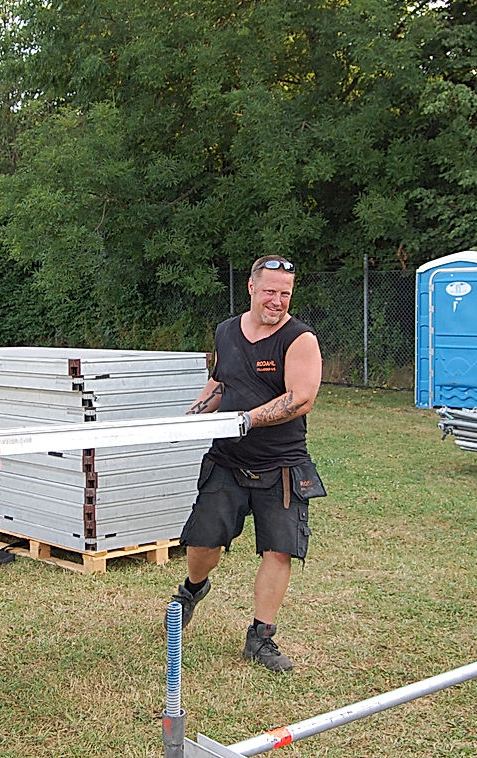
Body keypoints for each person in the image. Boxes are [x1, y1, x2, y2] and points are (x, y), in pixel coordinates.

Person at [167, 255, 323, 672]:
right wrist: (192, 417)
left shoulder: (299, 338)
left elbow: (301, 397)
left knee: (279, 550)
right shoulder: (225, 332)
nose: (277, 301)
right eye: (270, 291)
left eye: (285, 294)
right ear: (251, 288)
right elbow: (221, 382)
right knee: (202, 543)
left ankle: (261, 637)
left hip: (282, 463)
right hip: (227, 459)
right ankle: (193, 590)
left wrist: (247, 420)